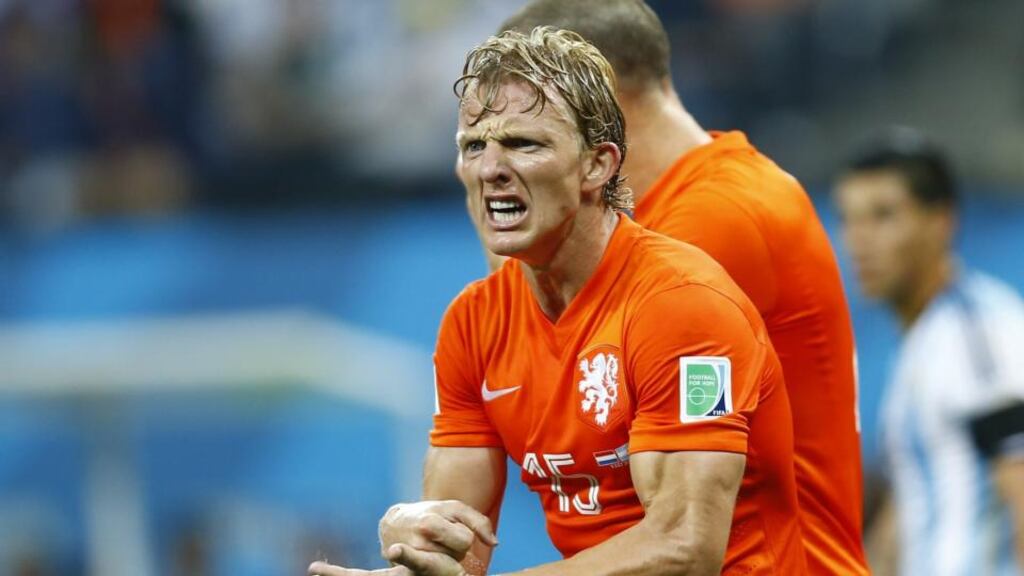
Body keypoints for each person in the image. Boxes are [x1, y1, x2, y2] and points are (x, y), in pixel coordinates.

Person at [310, 27, 807, 576]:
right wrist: (408, 537)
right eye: (474, 146)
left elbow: (686, 549)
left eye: (524, 144)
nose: (490, 168)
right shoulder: (472, 322)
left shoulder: (682, 304)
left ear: (598, 165)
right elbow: (455, 550)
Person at [469, 2, 866, 574]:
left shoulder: (711, 223)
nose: (498, 159)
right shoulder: (672, 212)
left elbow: (549, 394)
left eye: (519, 131)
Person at [833, 129, 1024, 576]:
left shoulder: (980, 335)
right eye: (849, 219)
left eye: (883, 216)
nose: (859, 241)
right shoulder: (924, 341)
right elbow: (914, 507)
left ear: (941, 221)